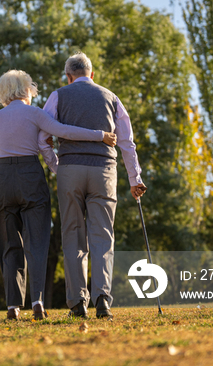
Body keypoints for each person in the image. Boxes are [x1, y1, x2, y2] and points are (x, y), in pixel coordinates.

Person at [0, 69, 117, 321]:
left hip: (3, 178)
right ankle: (37, 301)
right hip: (30, 176)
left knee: (8, 243)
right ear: (27, 90)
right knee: (37, 242)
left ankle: (13, 306)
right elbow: (65, 131)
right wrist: (100, 135)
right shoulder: (34, 113)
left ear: (4, 93)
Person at [39, 52, 147, 319]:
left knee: (73, 235)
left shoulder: (58, 96)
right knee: (102, 236)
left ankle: (77, 303)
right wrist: (135, 179)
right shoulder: (112, 98)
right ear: (92, 74)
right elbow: (127, 143)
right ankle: (102, 301)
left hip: (70, 170)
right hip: (104, 172)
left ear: (68, 76)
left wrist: (56, 166)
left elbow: (42, 138)